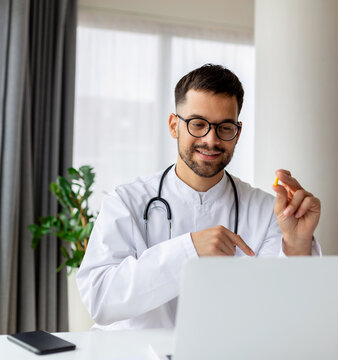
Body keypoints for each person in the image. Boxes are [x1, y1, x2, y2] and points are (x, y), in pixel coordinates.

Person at [77, 64, 322, 330]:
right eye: (198, 124)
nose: (211, 139)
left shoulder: (267, 211)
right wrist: (188, 250)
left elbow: (286, 313)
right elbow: (100, 300)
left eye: (225, 127)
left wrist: (297, 245)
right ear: (174, 126)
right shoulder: (125, 202)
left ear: (237, 133)